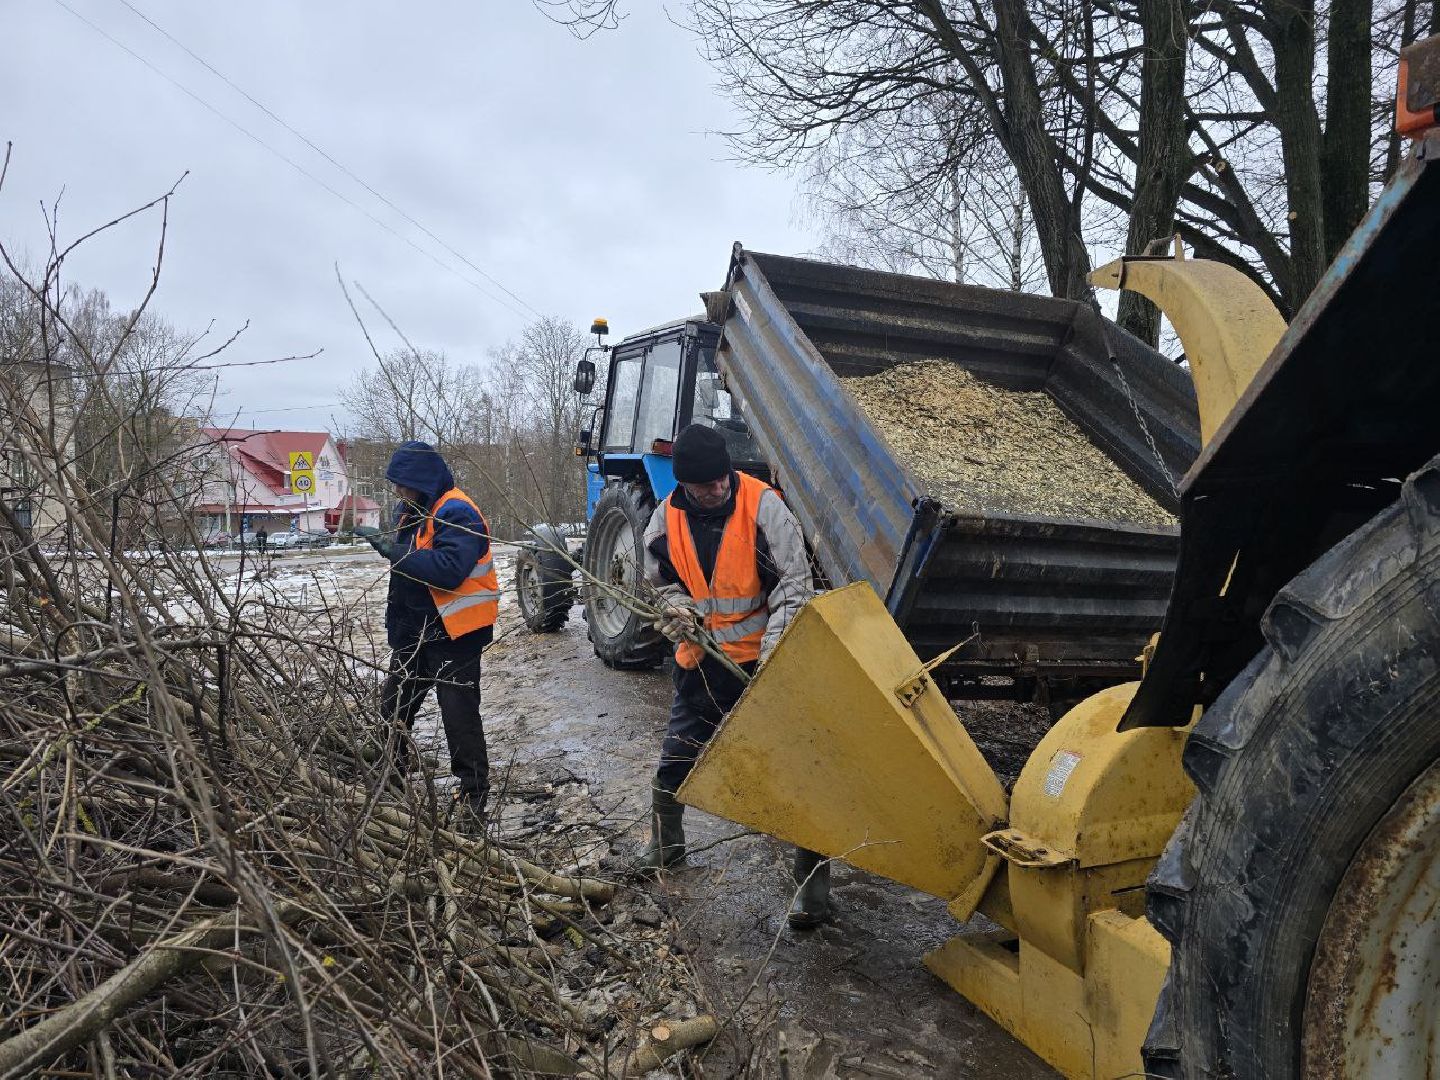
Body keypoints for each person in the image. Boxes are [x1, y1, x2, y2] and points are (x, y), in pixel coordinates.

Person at [636, 422, 832, 928]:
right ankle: (666, 847)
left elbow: (792, 587)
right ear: (684, 487)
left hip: (760, 660)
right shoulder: (662, 523)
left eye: (722, 479)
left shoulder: (765, 508)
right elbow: (661, 583)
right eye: (705, 486)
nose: (717, 489)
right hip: (701, 662)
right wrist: (677, 610)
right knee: (677, 756)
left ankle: (814, 892)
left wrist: (773, 657)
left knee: (796, 769)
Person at [358, 441, 499, 822]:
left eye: (403, 483)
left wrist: (393, 550)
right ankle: (390, 780)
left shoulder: (457, 511)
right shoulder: (410, 511)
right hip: (416, 630)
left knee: (459, 715)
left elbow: (449, 569)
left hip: (456, 632)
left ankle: (473, 797)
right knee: (394, 708)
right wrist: (397, 628)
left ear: (421, 479)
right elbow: (404, 578)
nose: (398, 491)